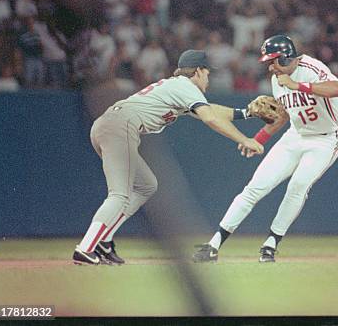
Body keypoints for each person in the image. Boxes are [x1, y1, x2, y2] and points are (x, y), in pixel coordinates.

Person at [72, 50, 265, 265]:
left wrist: (247, 112)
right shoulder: (185, 86)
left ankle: (103, 242)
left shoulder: (177, 87)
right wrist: (245, 139)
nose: (208, 78)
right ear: (199, 71)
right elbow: (210, 118)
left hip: (108, 126)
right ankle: (85, 248)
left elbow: (210, 110)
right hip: (119, 127)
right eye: (207, 73)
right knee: (119, 195)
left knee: (146, 185)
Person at [193, 35, 338, 263]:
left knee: (298, 185)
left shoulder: (310, 68)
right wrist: (258, 138)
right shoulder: (277, 80)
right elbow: (282, 115)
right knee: (255, 187)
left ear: (286, 57)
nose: (270, 66)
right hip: (295, 135)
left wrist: (298, 85)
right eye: (268, 62)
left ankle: (271, 243)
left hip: (324, 140)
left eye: (273, 61)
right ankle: (214, 245)